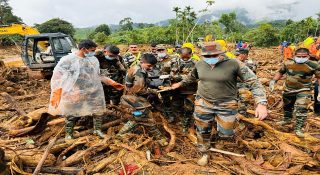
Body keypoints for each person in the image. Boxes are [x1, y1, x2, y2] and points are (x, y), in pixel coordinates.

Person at [171, 42, 268, 166]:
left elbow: (254, 82)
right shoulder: (200, 64)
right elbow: (191, 77)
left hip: (226, 104)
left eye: (214, 56)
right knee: (202, 129)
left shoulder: (234, 64)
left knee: (226, 132)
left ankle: (220, 137)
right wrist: (179, 84)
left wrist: (261, 103)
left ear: (221, 53)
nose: (210, 59)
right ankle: (204, 152)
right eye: (207, 56)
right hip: (203, 102)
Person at [48, 40, 124, 140]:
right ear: (84, 49)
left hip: (93, 90)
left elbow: (97, 76)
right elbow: (57, 77)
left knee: (98, 110)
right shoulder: (67, 60)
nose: (94, 52)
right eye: (92, 50)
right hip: (74, 91)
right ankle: (69, 134)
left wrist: (111, 82)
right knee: (72, 113)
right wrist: (63, 91)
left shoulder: (93, 60)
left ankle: (97, 130)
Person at [269, 48, 320, 137]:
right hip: (288, 89)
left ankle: (298, 128)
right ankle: (287, 119)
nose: (301, 58)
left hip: (304, 90)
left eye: (304, 56)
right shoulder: (288, 63)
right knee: (287, 106)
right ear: (294, 56)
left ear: (308, 56)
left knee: (302, 107)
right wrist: (273, 81)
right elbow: (280, 72)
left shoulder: (314, 65)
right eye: (298, 56)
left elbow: (319, 77)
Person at [119, 53, 168, 146]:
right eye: (149, 66)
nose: (150, 68)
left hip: (130, 96)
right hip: (134, 98)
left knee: (138, 117)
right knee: (147, 117)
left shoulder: (136, 67)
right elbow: (139, 89)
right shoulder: (139, 72)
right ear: (142, 62)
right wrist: (153, 91)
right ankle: (159, 138)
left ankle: (121, 134)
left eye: (152, 66)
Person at [161, 47, 197, 132]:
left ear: (191, 54)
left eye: (187, 57)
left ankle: (186, 124)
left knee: (189, 107)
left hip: (190, 90)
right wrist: (168, 83)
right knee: (176, 105)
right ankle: (176, 122)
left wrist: (178, 77)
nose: (184, 59)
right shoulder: (172, 62)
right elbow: (164, 72)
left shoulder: (196, 63)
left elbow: (196, 77)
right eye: (182, 57)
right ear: (179, 54)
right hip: (175, 90)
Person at [236, 48, 258, 116]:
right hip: (232, 85)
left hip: (244, 86)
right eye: (239, 54)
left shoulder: (250, 63)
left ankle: (242, 116)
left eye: (242, 54)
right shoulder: (233, 61)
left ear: (246, 55)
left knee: (243, 103)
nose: (240, 56)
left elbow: (252, 74)